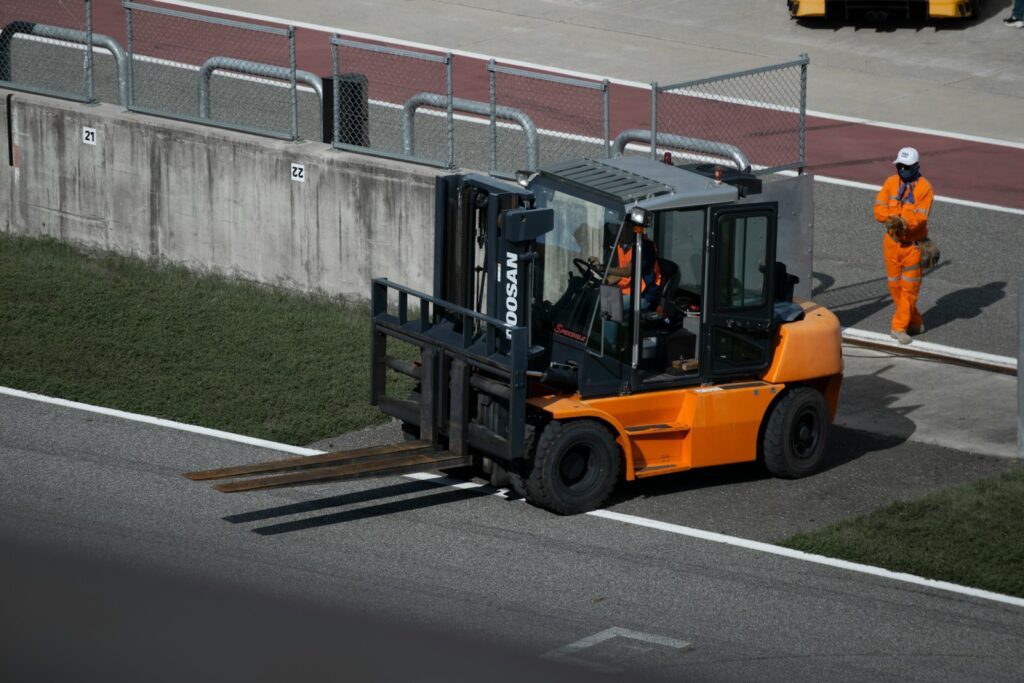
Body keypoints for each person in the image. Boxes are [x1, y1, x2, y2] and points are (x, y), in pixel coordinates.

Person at [873, 146, 934, 345]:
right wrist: (890, 219)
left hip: (913, 246)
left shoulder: (925, 188)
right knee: (894, 286)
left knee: (909, 289)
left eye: (906, 166)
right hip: (891, 243)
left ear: (916, 166)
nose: (902, 169)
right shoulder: (891, 183)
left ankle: (898, 327)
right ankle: (915, 321)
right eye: (899, 165)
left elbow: (921, 218)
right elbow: (878, 208)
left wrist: (903, 223)